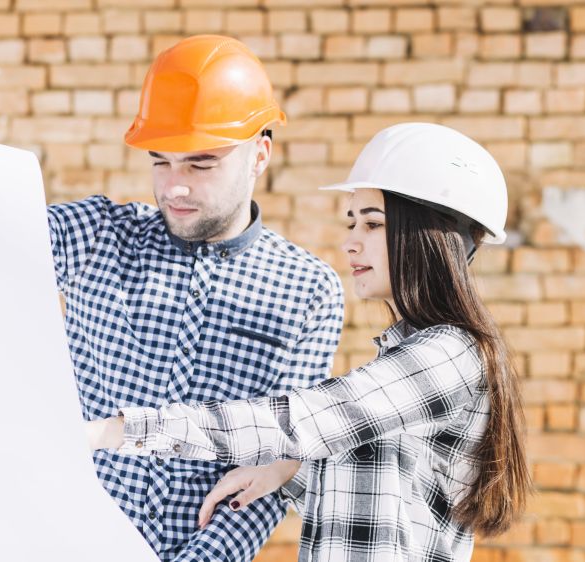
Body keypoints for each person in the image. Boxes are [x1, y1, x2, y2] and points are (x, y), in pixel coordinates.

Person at [0, 35, 345, 562]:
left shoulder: (308, 291)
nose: (174, 187)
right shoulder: (101, 235)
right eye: (160, 162)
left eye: (200, 164)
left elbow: (269, 468)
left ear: (259, 153)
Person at [87, 123, 533, 562]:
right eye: (352, 222)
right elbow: (380, 487)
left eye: (373, 224)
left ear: (431, 237)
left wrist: (116, 430)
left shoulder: (447, 357)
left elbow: (301, 419)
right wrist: (288, 471)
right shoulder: (409, 356)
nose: (350, 243)